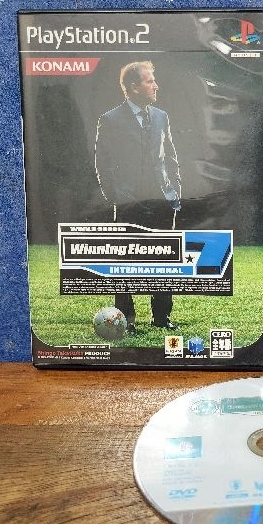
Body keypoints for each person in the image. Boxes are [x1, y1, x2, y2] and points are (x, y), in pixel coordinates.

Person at [94, 61, 182, 334]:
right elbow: (103, 163)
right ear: (133, 87)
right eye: (150, 81)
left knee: (164, 261)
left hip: (162, 201)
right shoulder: (110, 119)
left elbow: (170, 155)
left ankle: (161, 317)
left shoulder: (161, 116)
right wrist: (115, 196)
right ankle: (127, 320)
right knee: (126, 264)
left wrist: (175, 190)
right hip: (129, 202)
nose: (156, 85)